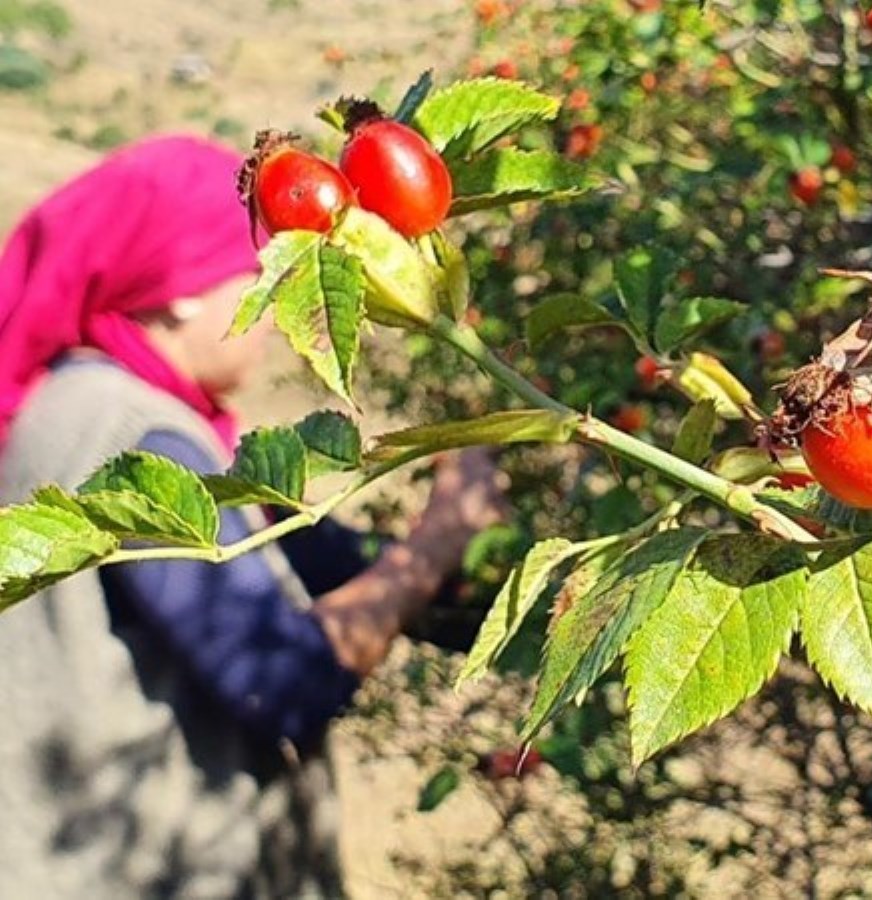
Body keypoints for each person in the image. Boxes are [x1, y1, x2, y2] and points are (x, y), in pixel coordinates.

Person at [0, 136, 503, 897]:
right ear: (179, 289)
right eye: (262, 271)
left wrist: (490, 593)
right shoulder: (133, 436)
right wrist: (438, 539)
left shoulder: (90, 401)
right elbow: (282, 676)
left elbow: (307, 554)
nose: (275, 308)